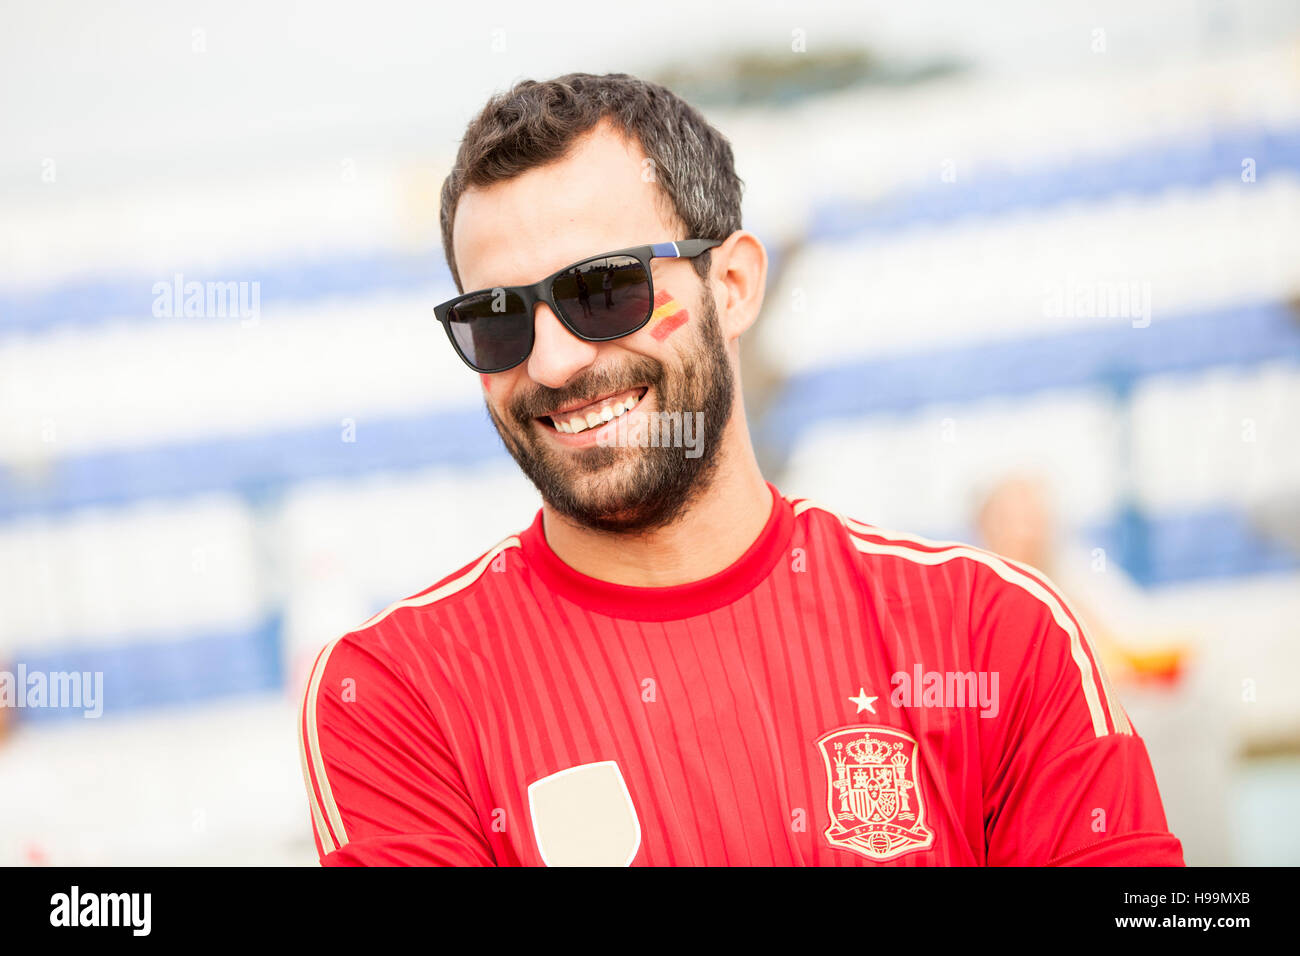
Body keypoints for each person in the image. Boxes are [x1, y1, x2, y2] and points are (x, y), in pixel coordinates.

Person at [298, 73, 1182, 866]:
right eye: (496, 319)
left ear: (733, 286)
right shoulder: (395, 698)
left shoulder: (994, 634)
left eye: (603, 290)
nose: (555, 362)